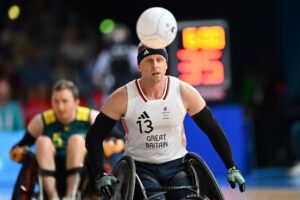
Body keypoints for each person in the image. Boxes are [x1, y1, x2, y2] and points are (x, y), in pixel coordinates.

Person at [85, 42, 246, 199]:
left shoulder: (184, 91)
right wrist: (100, 173)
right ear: (139, 66)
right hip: (141, 169)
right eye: (149, 60)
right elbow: (94, 137)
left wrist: (232, 167)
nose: (155, 65)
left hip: (177, 167)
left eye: (159, 60)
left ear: (166, 64)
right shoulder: (122, 97)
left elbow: (213, 130)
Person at [9, 79, 123, 199]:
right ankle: (53, 197)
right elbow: (19, 146)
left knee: (77, 140)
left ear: (76, 102)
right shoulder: (41, 121)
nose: (60, 107)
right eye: (56, 101)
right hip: (51, 175)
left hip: (84, 176)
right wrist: (19, 152)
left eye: (64, 101)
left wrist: (110, 145)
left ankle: (71, 196)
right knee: (42, 141)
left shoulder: (90, 117)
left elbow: (120, 138)